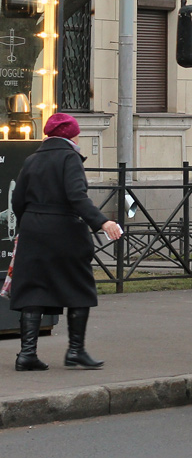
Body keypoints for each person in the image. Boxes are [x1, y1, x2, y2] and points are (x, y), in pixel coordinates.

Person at [9, 113, 123, 371]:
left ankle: (27, 354)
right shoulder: (69, 157)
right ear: (72, 134)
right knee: (79, 286)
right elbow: (76, 196)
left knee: (33, 289)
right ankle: (75, 351)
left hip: (33, 229)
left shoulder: (32, 159)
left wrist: (29, 225)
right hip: (64, 231)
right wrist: (102, 222)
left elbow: (17, 200)